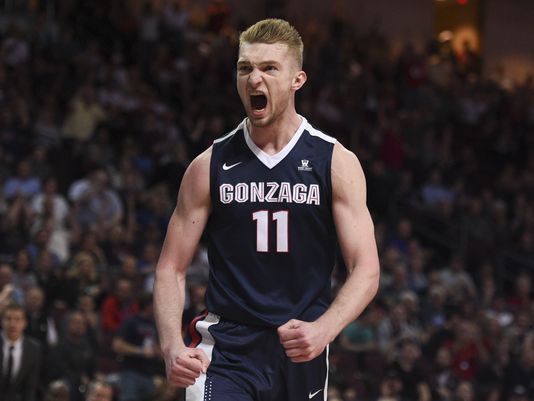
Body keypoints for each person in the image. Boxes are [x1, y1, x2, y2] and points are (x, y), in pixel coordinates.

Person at [153, 18, 380, 401]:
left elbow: (366, 270)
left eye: (269, 68)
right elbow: (170, 267)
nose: (254, 79)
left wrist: (325, 329)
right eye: (245, 68)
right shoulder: (208, 165)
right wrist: (171, 346)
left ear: (297, 80)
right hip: (227, 348)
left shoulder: (334, 162)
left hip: (299, 346)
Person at [0, 303, 42, 401]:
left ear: (24, 323)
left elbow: (30, 387)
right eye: (8, 319)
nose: (12, 324)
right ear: (2, 321)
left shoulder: (33, 349)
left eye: (17, 319)